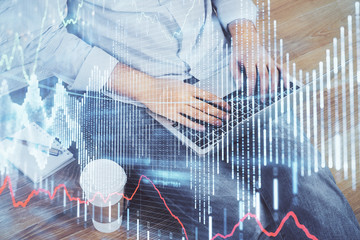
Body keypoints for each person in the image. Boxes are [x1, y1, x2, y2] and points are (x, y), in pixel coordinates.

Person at [1, 0, 360, 239]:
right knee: (230, 209)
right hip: (125, 91)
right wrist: (149, 89)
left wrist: (245, 35)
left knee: (308, 187)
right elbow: (41, 41)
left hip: (219, 66)